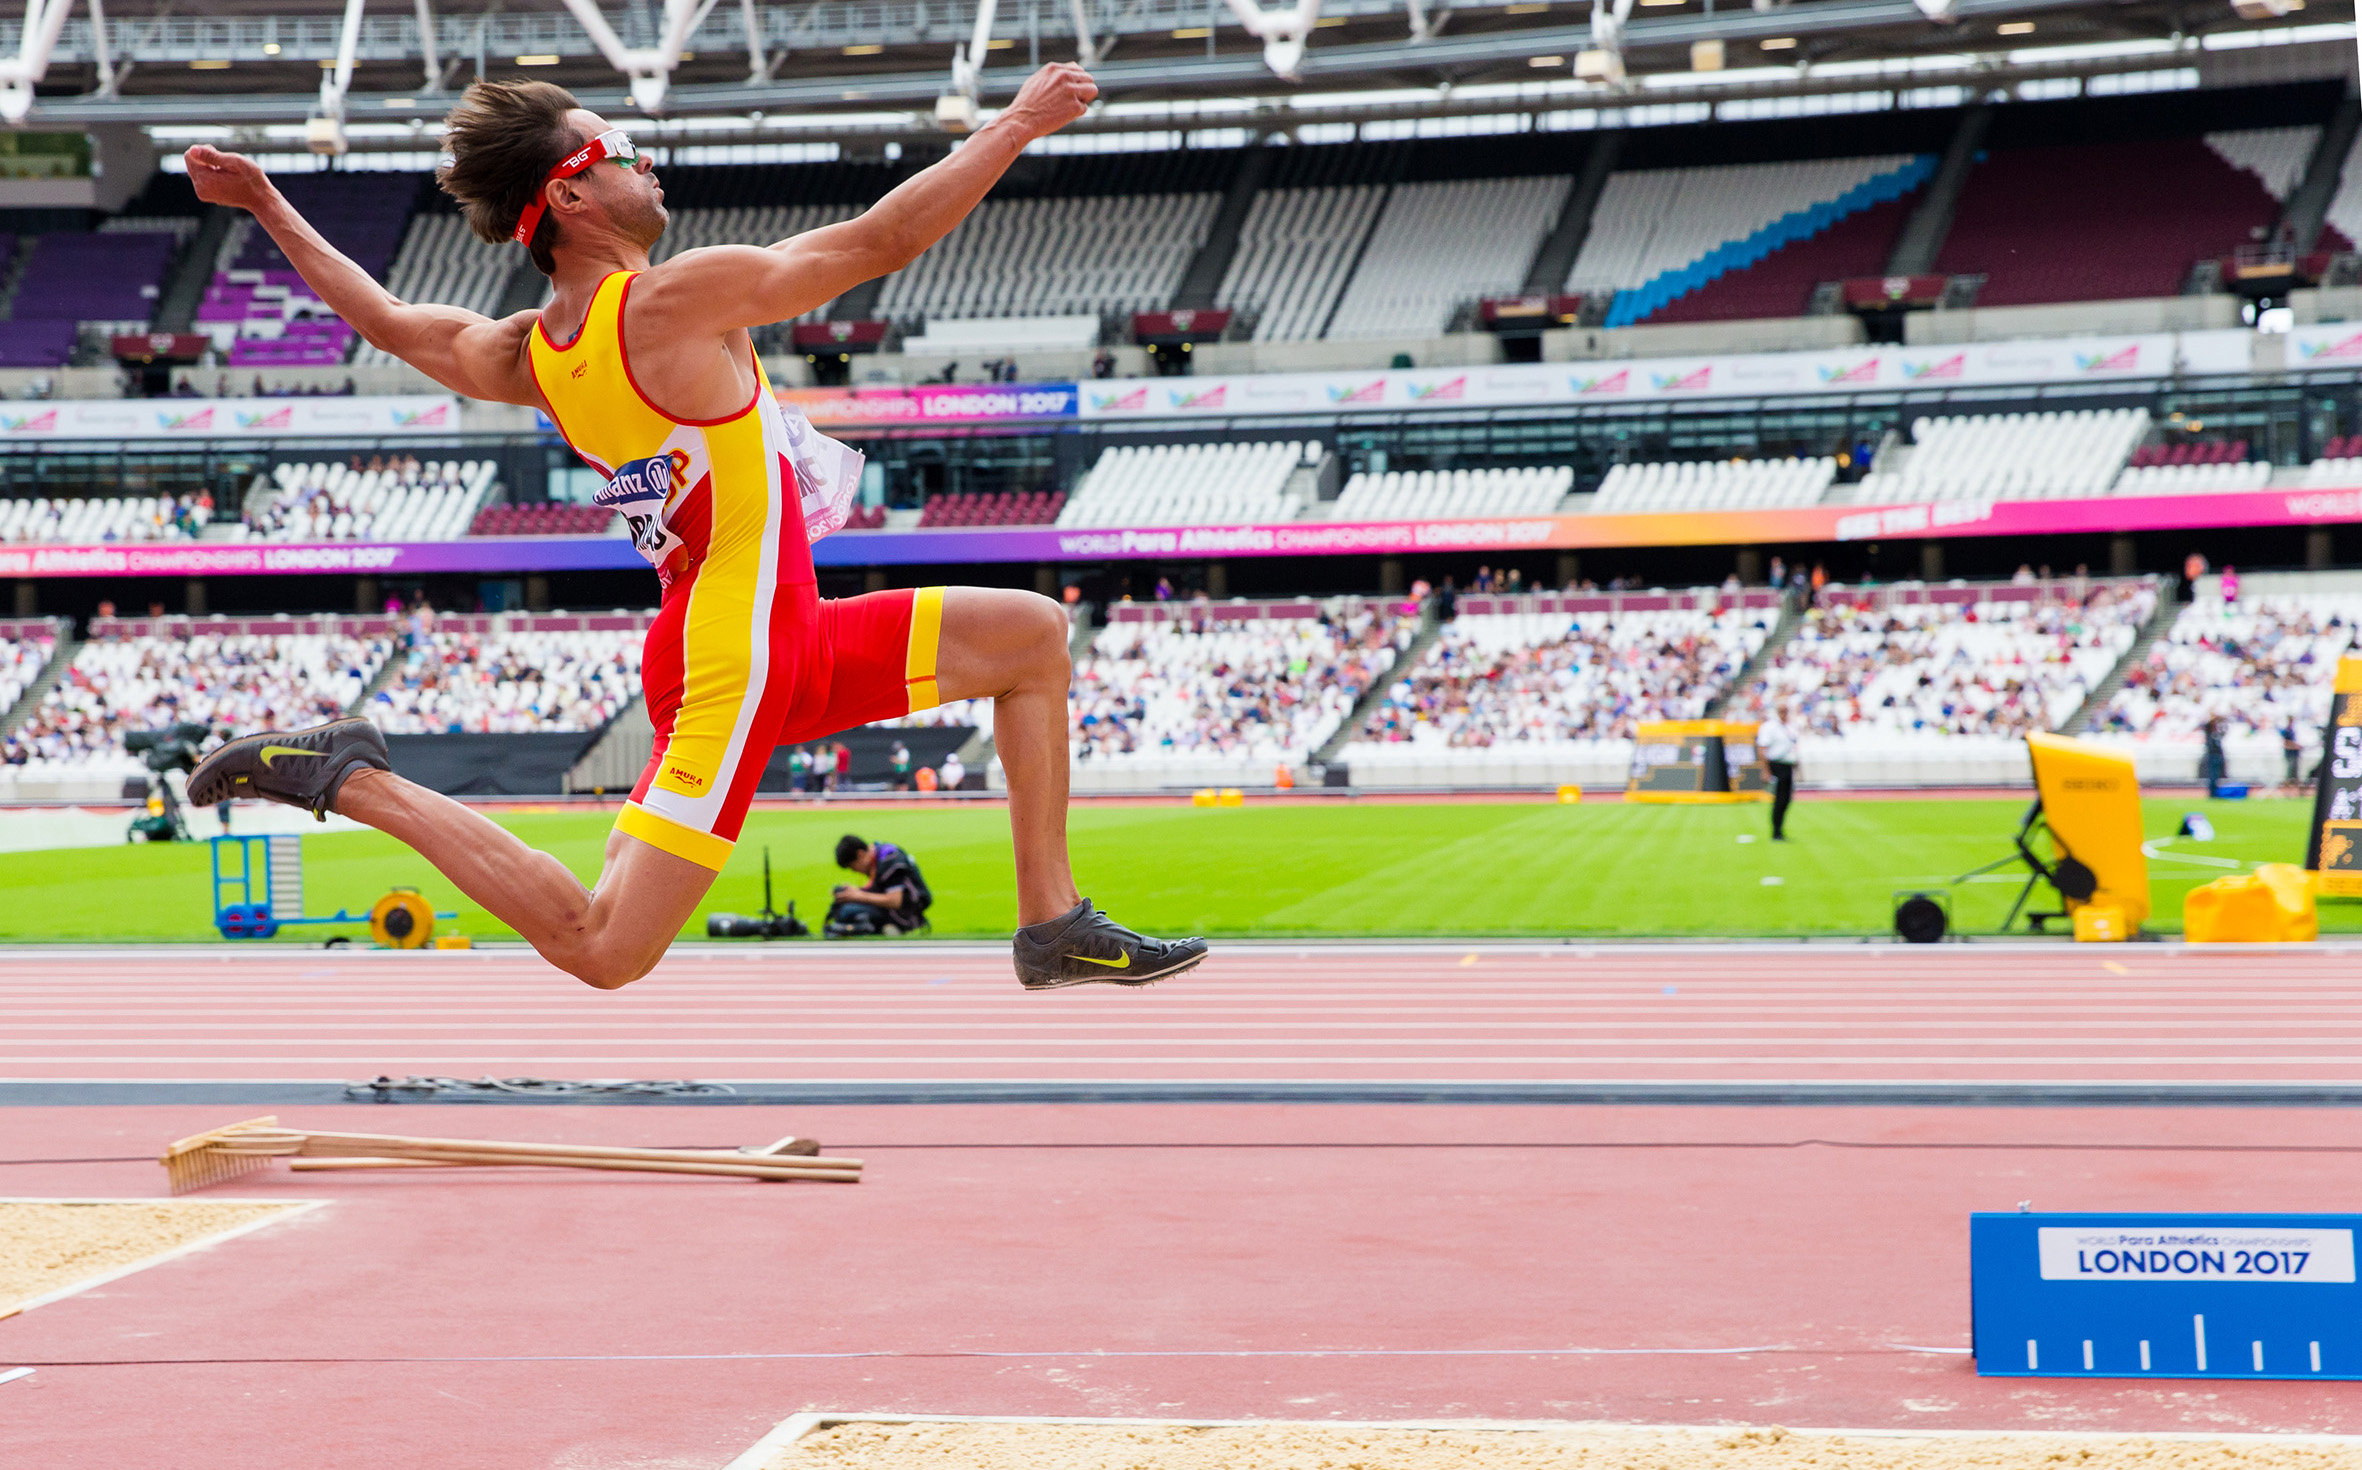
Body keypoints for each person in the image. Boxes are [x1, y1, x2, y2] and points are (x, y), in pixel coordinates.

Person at [181, 66, 1206, 992]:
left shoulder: (529, 353)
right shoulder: (663, 306)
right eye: (619, 150)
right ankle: (352, 777)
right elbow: (876, 243)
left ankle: (1051, 920)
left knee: (1031, 637)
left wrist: (268, 201)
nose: (646, 159)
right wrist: (1015, 124)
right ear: (571, 197)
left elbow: (391, 321)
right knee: (602, 947)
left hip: (773, 628)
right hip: (738, 650)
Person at [827, 833, 931, 936]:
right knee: (841, 906)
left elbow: (895, 901)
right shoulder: (878, 854)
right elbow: (881, 889)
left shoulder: (889, 858)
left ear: (860, 854)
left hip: (905, 914)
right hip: (892, 909)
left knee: (848, 911)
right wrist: (854, 892)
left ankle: (895, 928)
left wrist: (859, 895)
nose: (854, 871)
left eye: (853, 867)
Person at [1759, 702, 1799, 841]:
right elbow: (1762, 749)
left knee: (1786, 800)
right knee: (1779, 800)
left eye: (1786, 710)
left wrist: (1798, 768)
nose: (1784, 713)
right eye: (1782, 710)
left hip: (1788, 765)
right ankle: (1776, 832)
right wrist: (1765, 770)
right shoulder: (1769, 727)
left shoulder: (1790, 726)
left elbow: (1794, 748)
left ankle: (1779, 830)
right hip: (1776, 765)